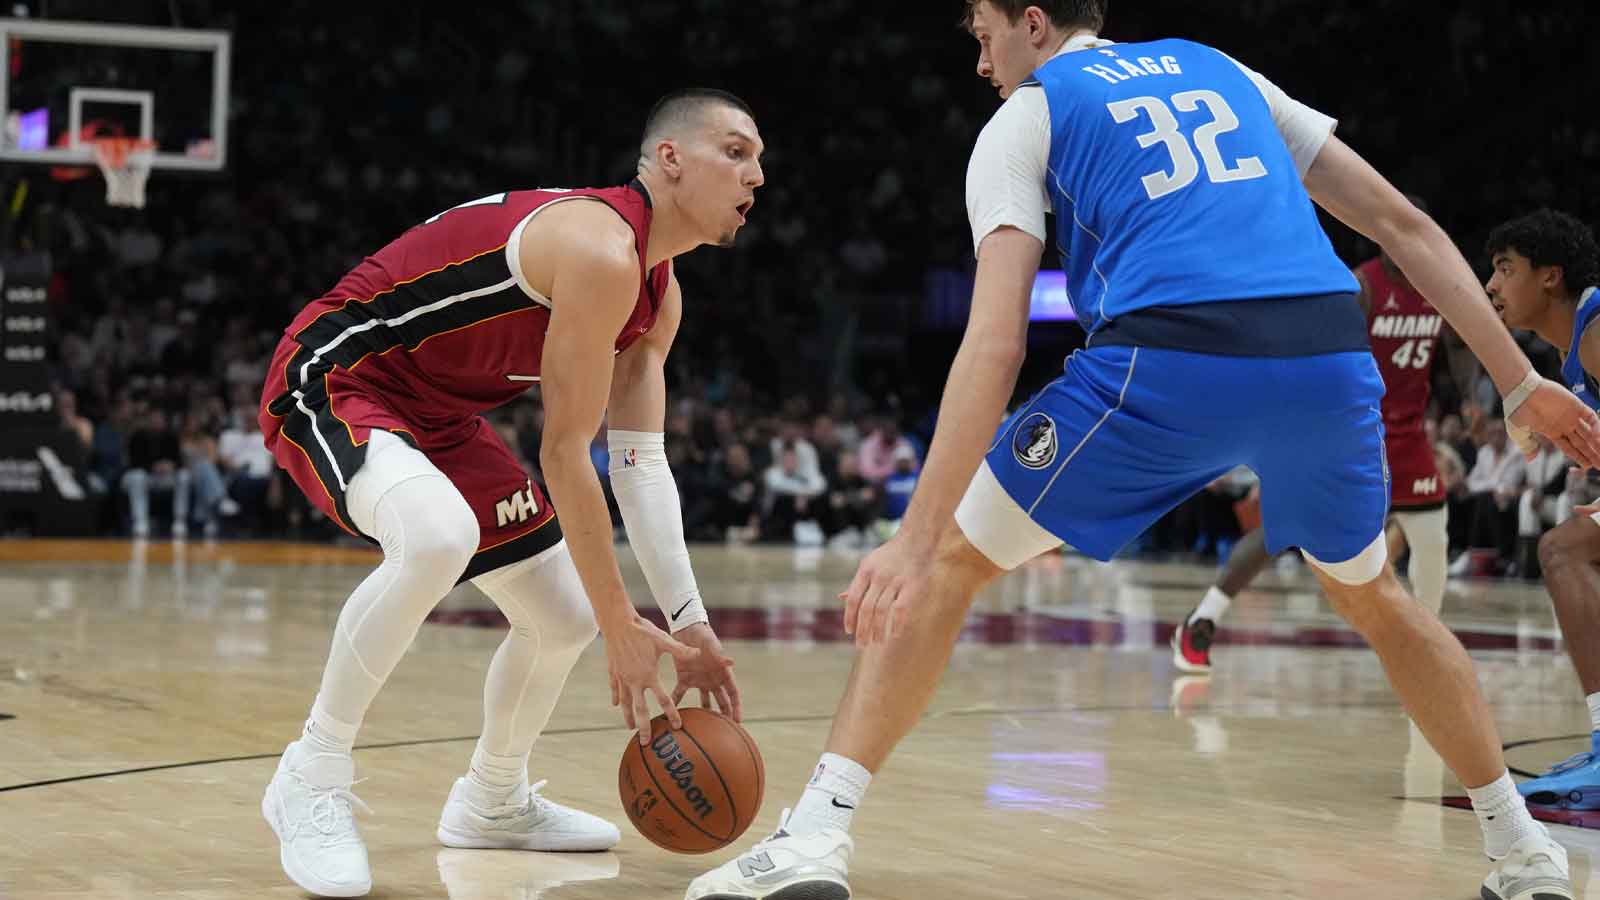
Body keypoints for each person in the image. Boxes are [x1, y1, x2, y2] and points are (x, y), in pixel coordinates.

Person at [686, 6, 1600, 900]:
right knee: (1377, 596)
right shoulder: (1222, 67)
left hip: (1171, 356)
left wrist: (914, 536)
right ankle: (1522, 852)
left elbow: (997, 342)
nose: (980, 61)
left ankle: (815, 836)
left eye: (982, 35)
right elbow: (1402, 224)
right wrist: (1520, 381)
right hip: (1326, 354)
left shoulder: (1030, 111)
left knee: (949, 566)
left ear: (1032, 23)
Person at [257, 88, 760, 897]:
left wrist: (690, 623)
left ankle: (493, 799)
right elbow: (566, 456)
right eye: (736, 152)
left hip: (440, 417)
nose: (757, 175)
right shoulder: (601, 251)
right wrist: (622, 622)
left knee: (560, 618)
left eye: (759, 159)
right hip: (338, 375)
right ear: (670, 159)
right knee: (435, 537)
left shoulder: (658, 293)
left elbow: (638, 464)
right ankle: (310, 774)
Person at [1173, 230, 1474, 673]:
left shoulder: (1434, 286)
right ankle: (1203, 618)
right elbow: (1320, 354)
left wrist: (1468, 396)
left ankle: (1430, 643)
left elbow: (1460, 345)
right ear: (1384, 241)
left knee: (1432, 529)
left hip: (1406, 434)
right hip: (1348, 427)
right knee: (1280, 527)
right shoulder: (1363, 286)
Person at [1481, 209, 1600, 810]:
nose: (1491, 286)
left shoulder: (1598, 325)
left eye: (1505, 269)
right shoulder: (1571, 354)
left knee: (1561, 550)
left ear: (1550, 277)